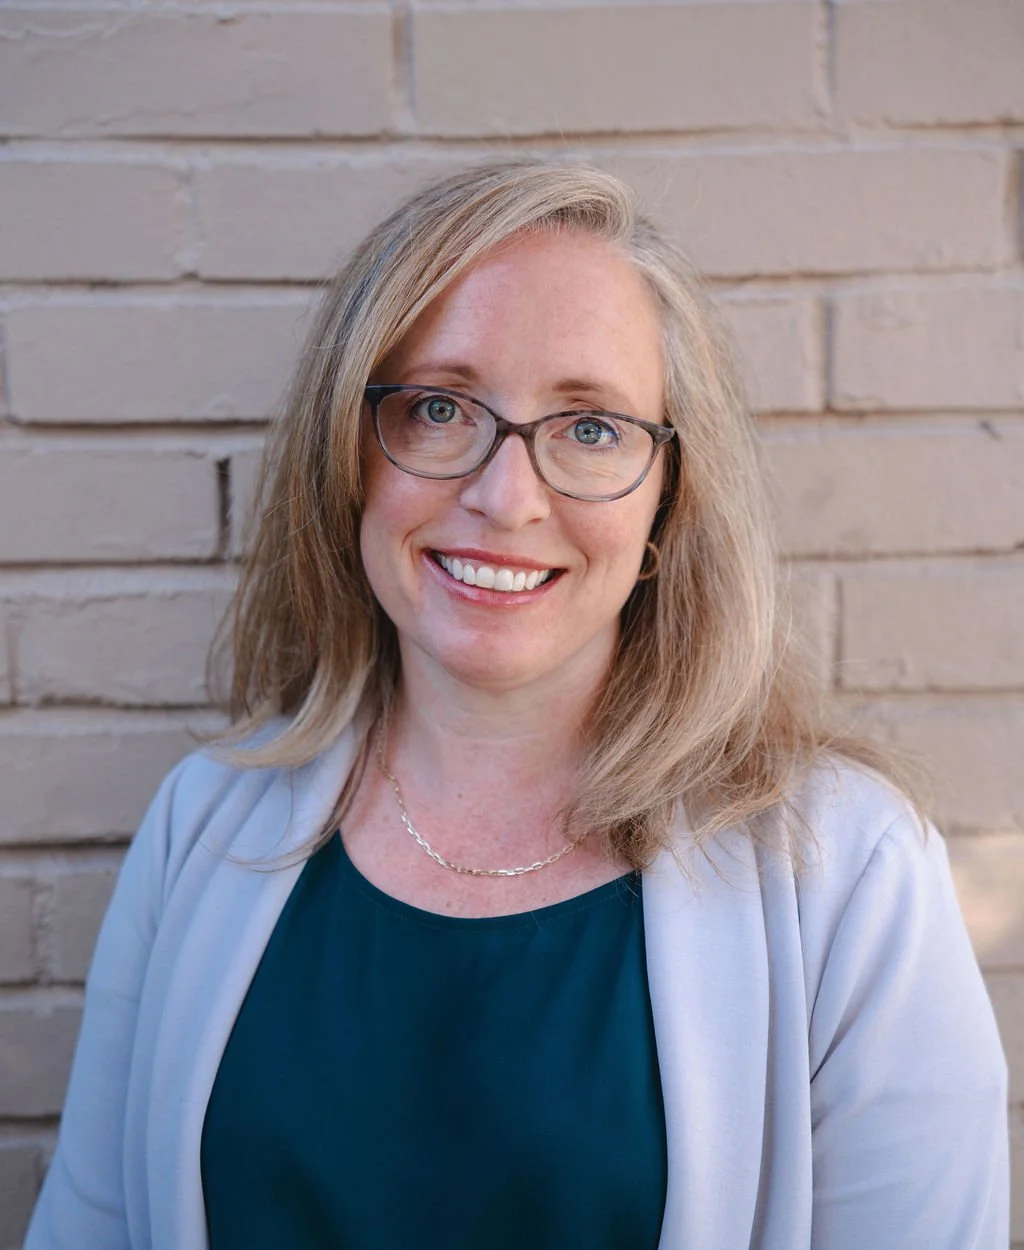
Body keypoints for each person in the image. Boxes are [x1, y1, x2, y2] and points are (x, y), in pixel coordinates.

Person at [25, 162, 1007, 1250]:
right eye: (440, 408)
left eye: (589, 428)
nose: (505, 497)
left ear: (669, 498)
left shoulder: (844, 871)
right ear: (346, 454)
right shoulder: (204, 824)